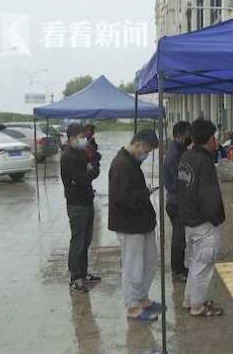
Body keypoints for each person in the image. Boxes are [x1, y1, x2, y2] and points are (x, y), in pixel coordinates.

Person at [108, 129, 162, 321]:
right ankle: (132, 306)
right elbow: (122, 198)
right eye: (147, 148)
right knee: (133, 266)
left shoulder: (131, 162)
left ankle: (142, 298)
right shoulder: (121, 164)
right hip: (129, 225)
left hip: (142, 223)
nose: (147, 153)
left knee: (150, 262)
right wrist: (144, 193)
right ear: (139, 143)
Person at [178, 119, 225, 317]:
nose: (216, 142)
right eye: (214, 138)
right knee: (203, 265)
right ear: (208, 139)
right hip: (202, 222)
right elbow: (209, 196)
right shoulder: (204, 162)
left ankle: (190, 299)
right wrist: (217, 218)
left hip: (189, 219)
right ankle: (198, 305)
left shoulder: (187, 156)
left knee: (196, 261)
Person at [60, 123, 101, 294]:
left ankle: (83, 273)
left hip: (87, 200)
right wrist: (90, 172)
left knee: (86, 240)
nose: (83, 139)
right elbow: (81, 179)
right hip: (76, 204)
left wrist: (91, 169)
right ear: (71, 139)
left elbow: (94, 169)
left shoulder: (81, 152)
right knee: (77, 241)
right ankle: (74, 278)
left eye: (84, 136)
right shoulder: (68, 156)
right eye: (80, 137)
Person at [164, 121, 192, 281]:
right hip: (176, 202)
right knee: (179, 238)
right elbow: (178, 181)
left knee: (180, 237)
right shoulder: (175, 154)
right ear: (180, 135)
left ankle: (180, 267)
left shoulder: (178, 150)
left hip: (176, 200)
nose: (190, 138)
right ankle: (177, 271)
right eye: (188, 134)